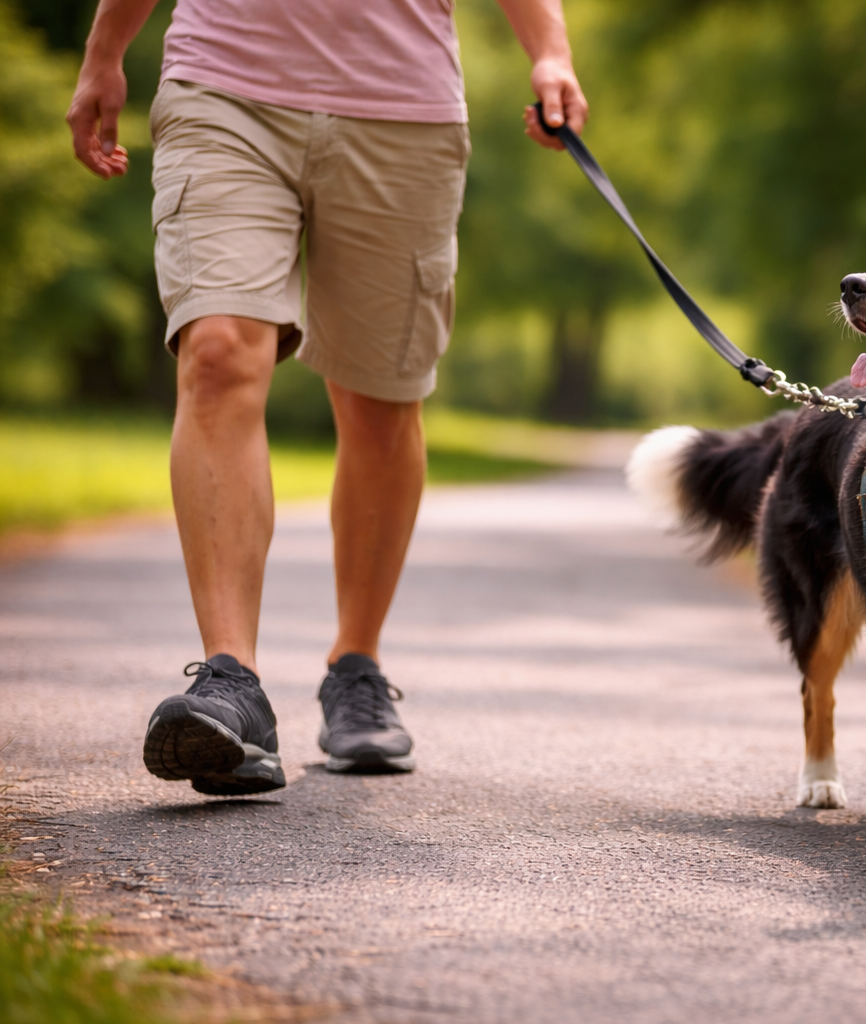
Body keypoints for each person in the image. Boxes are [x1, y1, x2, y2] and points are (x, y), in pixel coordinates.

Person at [66, 0, 587, 795]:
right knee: (215, 355)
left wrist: (549, 51)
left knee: (381, 405)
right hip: (225, 83)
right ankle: (231, 681)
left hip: (402, 106)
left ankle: (355, 665)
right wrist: (106, 50)